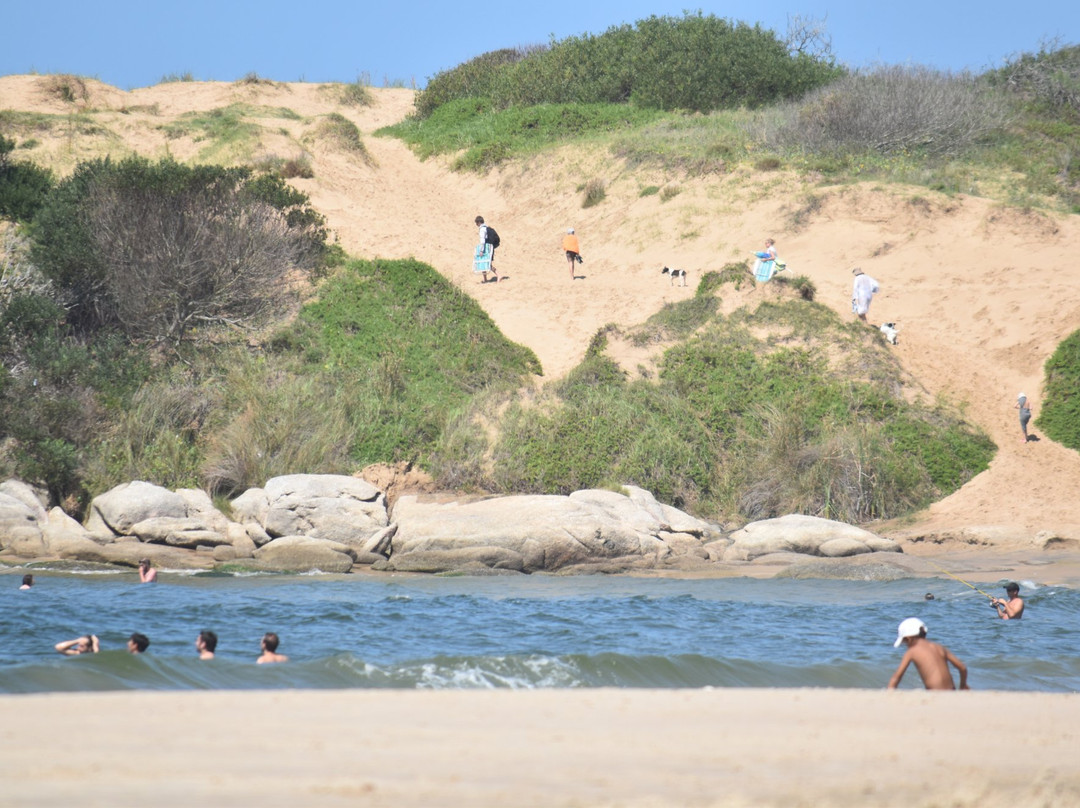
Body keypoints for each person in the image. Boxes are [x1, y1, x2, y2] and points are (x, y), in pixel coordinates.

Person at [888, 618, 968, 691]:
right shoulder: (939, 647)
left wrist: (890, 691)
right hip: (951, 691)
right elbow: (962, 668)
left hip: (935, 693)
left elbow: (897, 677)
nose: (906, 645)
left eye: (904, 642)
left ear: (908, 639)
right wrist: (962, 686)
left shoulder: (911, 652)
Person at [475, 215, 498, 284]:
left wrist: (481, 251)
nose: (476, 225)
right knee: (483, 263)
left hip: (485, 248)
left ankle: (498, 275)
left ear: (479, 222)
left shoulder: (482, 229)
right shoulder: (486, 228)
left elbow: (482, 241)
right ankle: (485, 279)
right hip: (489, 247)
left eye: (476, 223)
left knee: (486, 263)